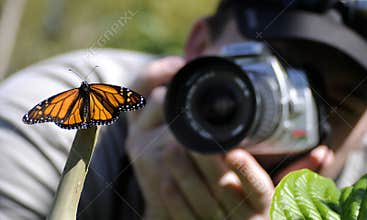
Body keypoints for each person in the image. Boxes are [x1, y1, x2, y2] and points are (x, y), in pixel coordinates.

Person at [1, 0, 367, 219]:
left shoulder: (355, 191)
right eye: (273, 74)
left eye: (336, 106)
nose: (289, 110)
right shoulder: (41, 135)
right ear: (199, 46)